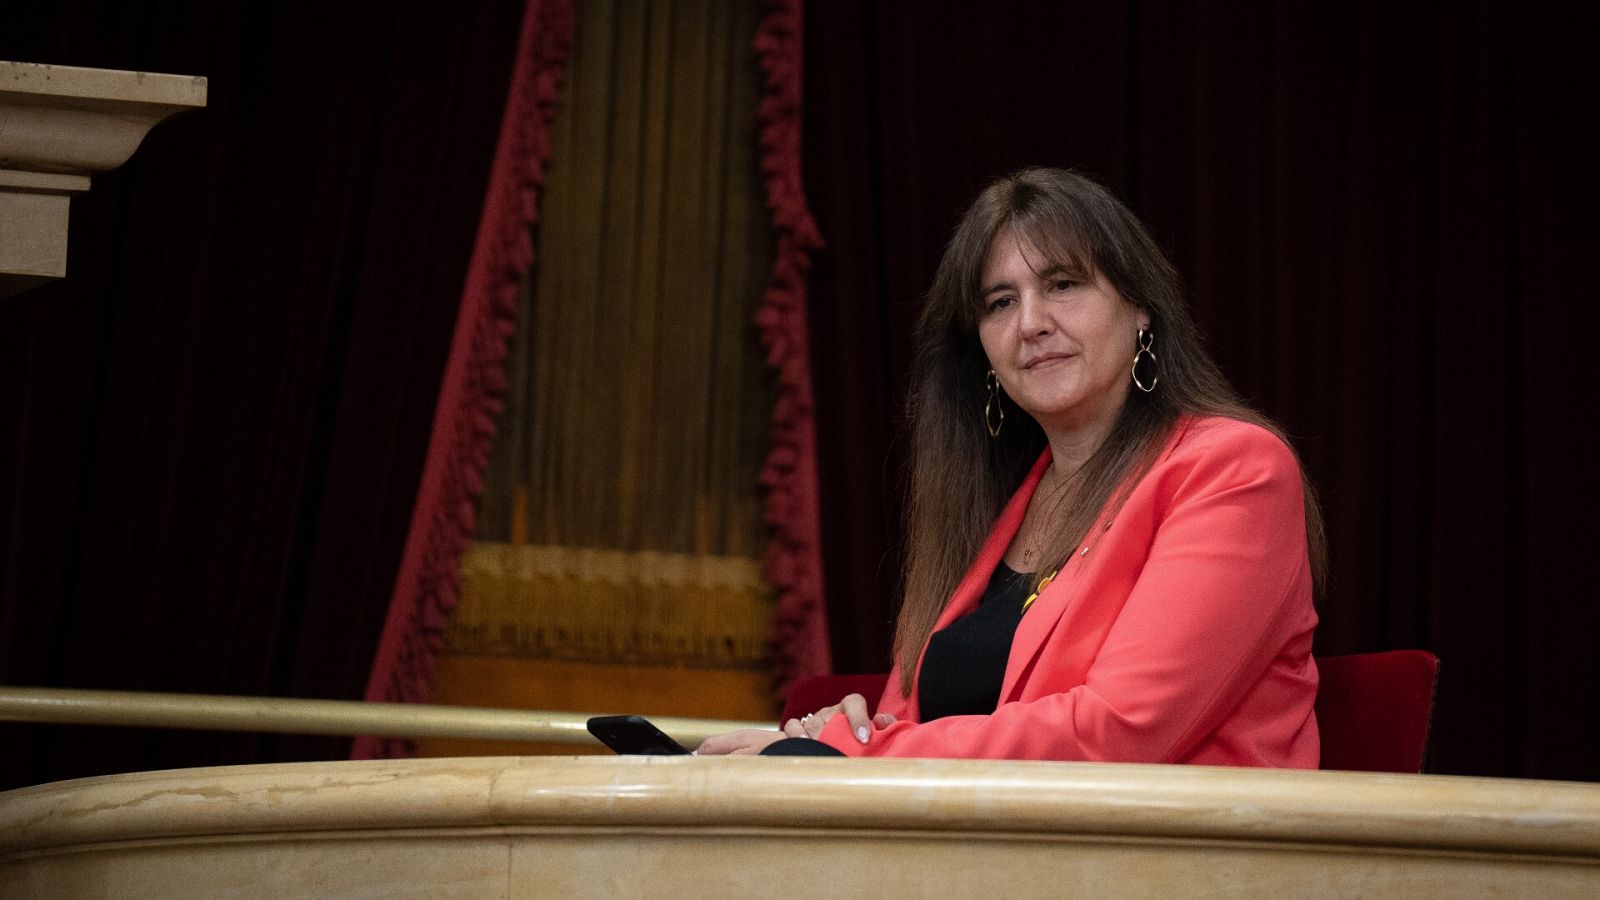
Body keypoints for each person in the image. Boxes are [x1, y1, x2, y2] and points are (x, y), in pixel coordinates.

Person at [699, 167, 1324, 766]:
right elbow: (910, 725)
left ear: (1140, 308)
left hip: (1169, 837)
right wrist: (849, 730)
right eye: (1000, 302)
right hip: (980, 835)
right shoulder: (999, 503)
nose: (1030, 324)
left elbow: (1119, 729)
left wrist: (852, 752)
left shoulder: (1235, 468)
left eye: (1063, 285)